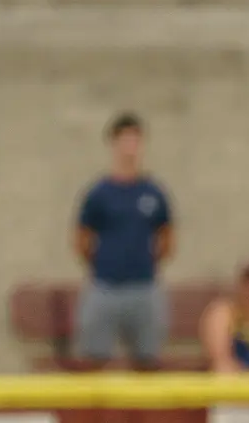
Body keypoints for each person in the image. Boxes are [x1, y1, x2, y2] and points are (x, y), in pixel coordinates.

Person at [73, 113, 174, 369]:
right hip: (105, 286)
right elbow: (82, 238)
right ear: (114, 144)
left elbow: (166, 235)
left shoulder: (153, 193)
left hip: (144, 286)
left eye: (135, 141)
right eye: (124, 141)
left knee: (148, 361)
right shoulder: (99, 194)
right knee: (93, 360)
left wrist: (148, 261)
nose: (130, 148)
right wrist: (102, 263)